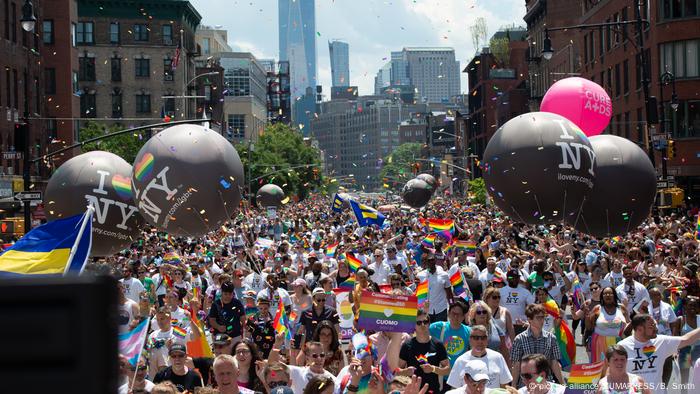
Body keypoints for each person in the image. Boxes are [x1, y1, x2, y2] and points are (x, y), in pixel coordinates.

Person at [618, 313, 700, 393]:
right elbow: (613, 373)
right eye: (651, 326)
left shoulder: (662, 342)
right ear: (639, 329)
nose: (656, 329)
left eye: (655, 325)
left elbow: (686, 339)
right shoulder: (623, 347)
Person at [397, 308, 450, 394]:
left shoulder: (438, 344)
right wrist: (406, 371)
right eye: (419, 323)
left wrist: (433, 369)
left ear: (429, 324)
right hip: (412, 390)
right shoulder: (407, 345)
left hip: (433, 390)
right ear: (414, 325)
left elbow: (447, 369)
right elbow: (397, 370)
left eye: (425, 322)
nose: (422, 325)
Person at [510, 304, 564, 387]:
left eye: (543, 317)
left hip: (545, 382)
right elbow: (516, 365)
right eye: (538, 318)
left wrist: (562, 384)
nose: (542, 320)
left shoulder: (551, 338)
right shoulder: (519, 339)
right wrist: (513, 386)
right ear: (529, 319)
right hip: (526, 384)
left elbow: (554, 363)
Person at [447, 324, 512, 390]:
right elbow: (454, 388)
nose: (480, 341)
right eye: (476, 338)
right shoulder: (460, 361)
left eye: (483, 338)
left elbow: (505, 386)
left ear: (487, 340)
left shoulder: (498, 358)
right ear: (470, 340)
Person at [269, 337, 337, 393]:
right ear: (307, 358)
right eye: (315, 356)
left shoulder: (332, 380)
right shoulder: (297, 372)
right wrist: (277, 344)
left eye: (322, 355)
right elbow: (272, 364)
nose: (319, 358)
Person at [586, 286, 628, 363]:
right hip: (599, 343)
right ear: (602, 296)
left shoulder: (621, 308)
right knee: (601, 367)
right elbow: (589, 327)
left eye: (610, 293)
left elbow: (628, 325)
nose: (607, 295)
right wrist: (587, 317)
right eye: (605, 294)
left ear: (614, 295)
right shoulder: (597, 309)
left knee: (617, 366)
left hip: (618, 343)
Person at [429, 299, 472, 366]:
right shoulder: (437, 327)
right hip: (442, 373)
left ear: (463, 317)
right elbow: (422, 330)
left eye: (459, 314)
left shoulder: (469, 331)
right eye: (453, 313)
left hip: (461, 373)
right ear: (448, 314)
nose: (455, 316)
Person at [467, 301, 510, 367]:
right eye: (478, 312)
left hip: (495, 365)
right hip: (475, 366)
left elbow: (504, 348)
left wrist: (508, 366)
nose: (482, 314)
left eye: (484, 312)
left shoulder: (495, 327)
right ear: (473, 315)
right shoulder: (468, 330)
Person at [417, 253, 453, 322]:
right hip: (426, 310)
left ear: (435, 260)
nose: (431, 262)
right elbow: (418, 294)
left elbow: (449, 293)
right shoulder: (420, 276)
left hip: (441, 309)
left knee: (441, 330)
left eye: (432, 260)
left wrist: (452, 306)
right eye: (429, 260)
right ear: (426, 262)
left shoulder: (444, 275)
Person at [500, 270, 533, 335]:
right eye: (511, 278)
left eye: (516, 277)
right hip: (505, 324)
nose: (514, 279)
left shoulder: (525, 292)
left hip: (520, 324)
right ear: (507, 279)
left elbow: (532, 306)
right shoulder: (500, 291)